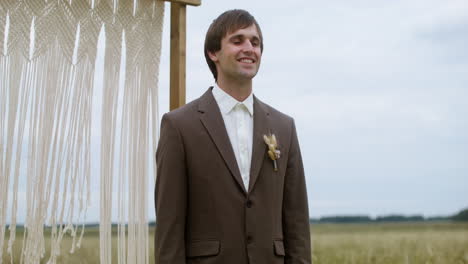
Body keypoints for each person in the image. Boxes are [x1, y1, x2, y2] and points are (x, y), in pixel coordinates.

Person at [155, 9, 311, 264]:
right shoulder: (179, 126)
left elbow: (297, 222)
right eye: (237, 41)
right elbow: (169, 230)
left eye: (255, 42)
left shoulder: (284, 127)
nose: (249, 48)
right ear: (213, 53)